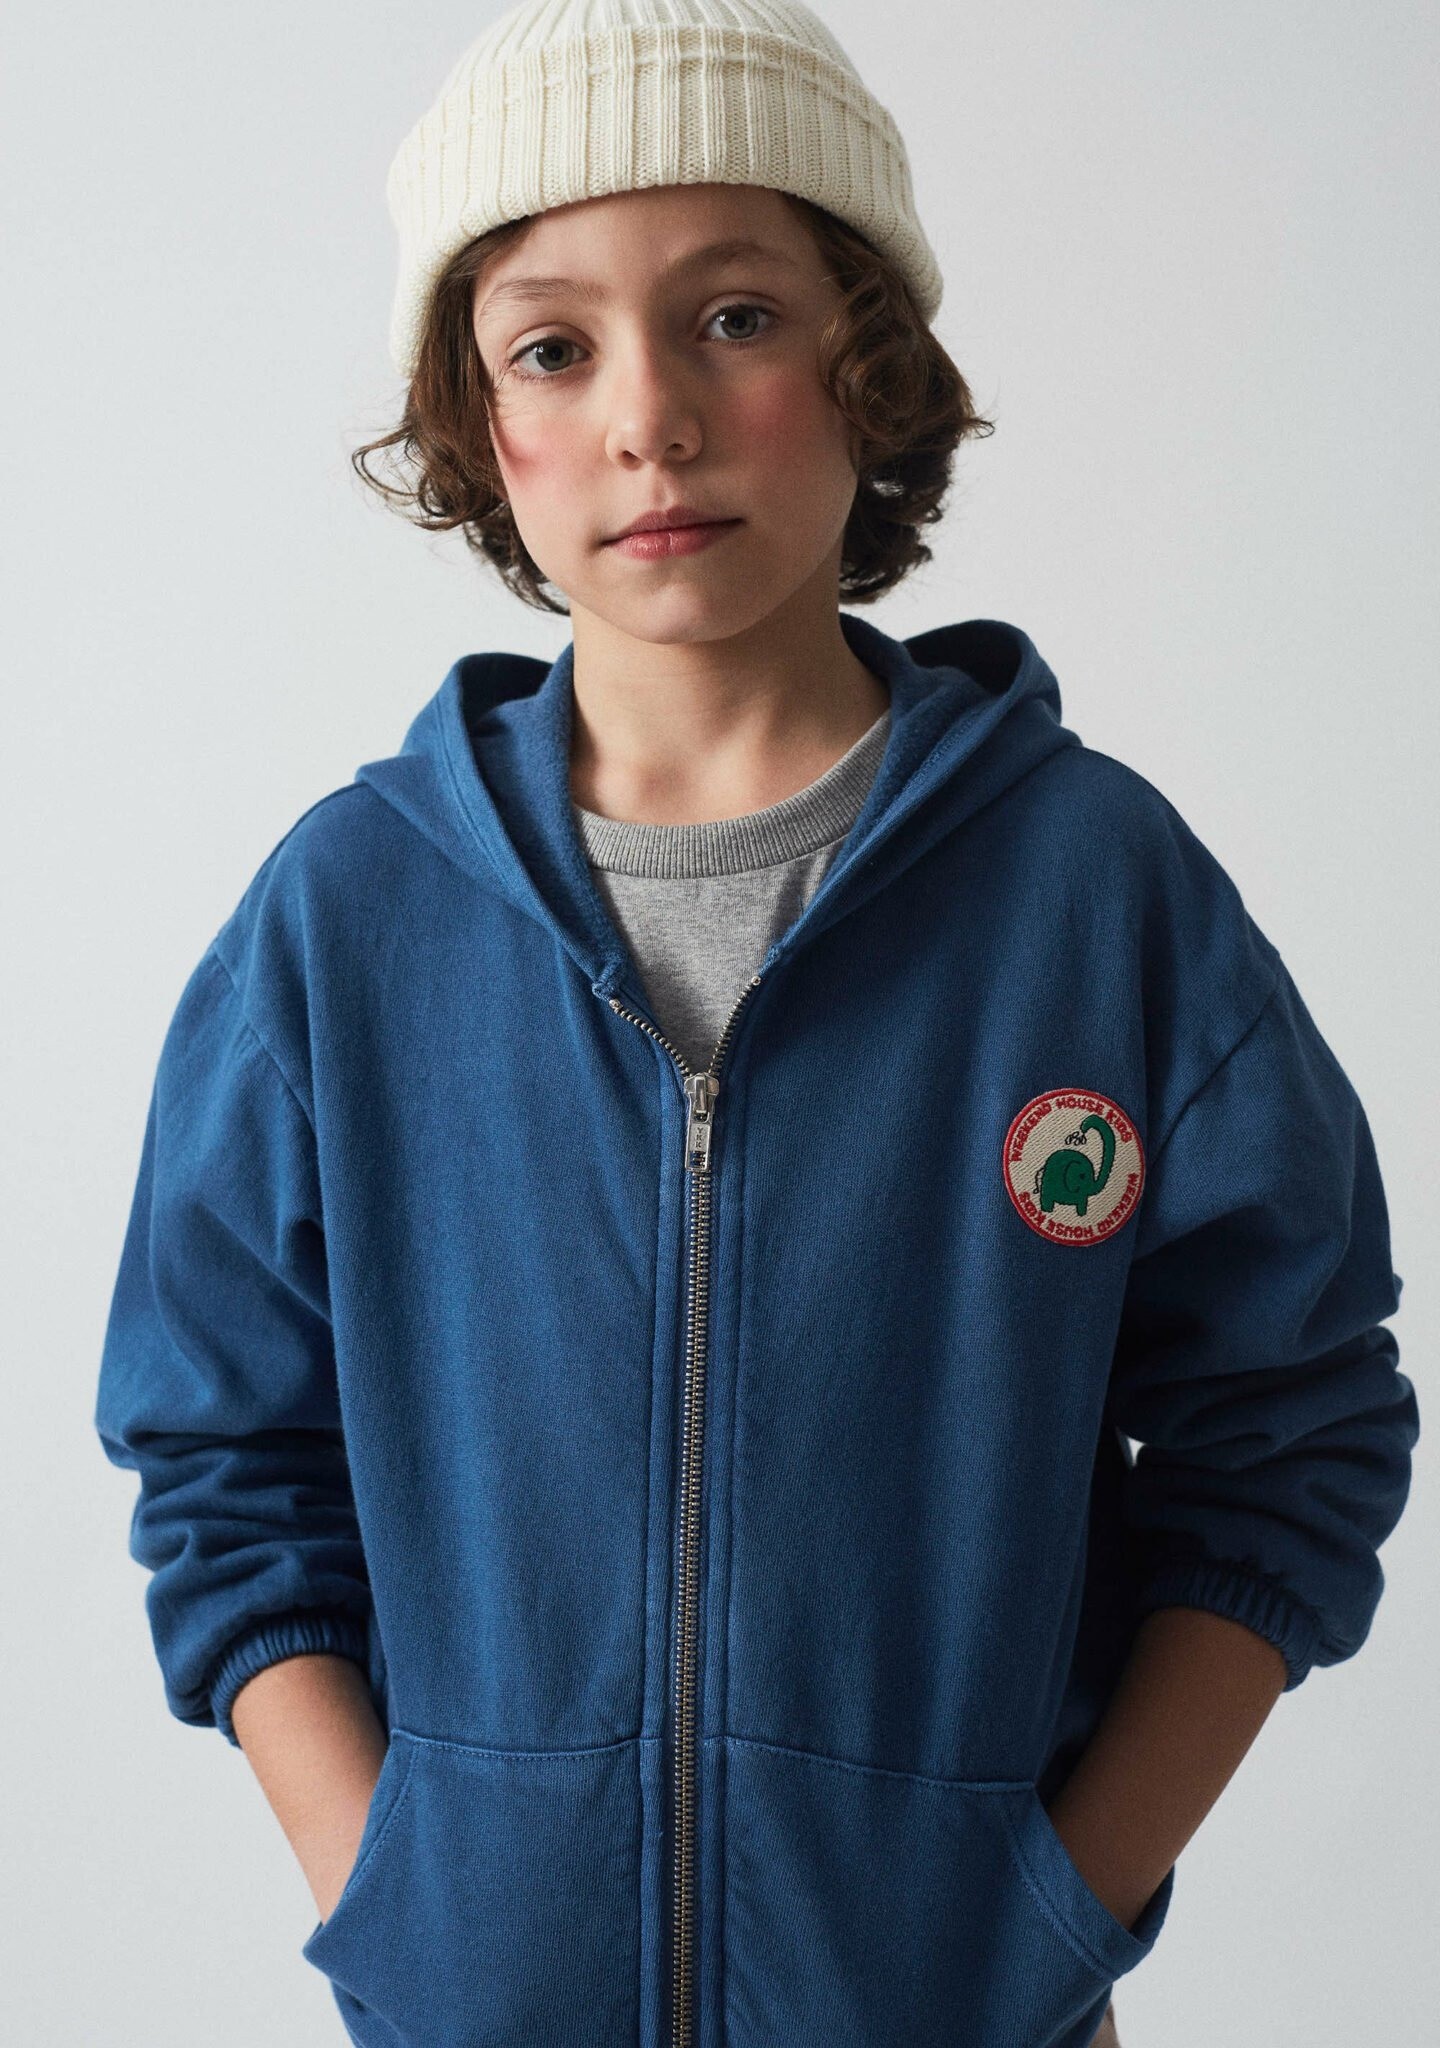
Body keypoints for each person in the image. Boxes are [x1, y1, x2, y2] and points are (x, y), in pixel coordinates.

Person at [92, 3, 1419, 2045]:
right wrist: (401, 1907)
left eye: (735, 317)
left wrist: (1045, 1916)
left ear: (869, 363)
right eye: (553, 348)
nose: (653, 417)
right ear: (479, 425)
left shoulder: (1094, 891)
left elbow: (1293, 1430)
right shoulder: (346, 921)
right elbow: (225, 1461)